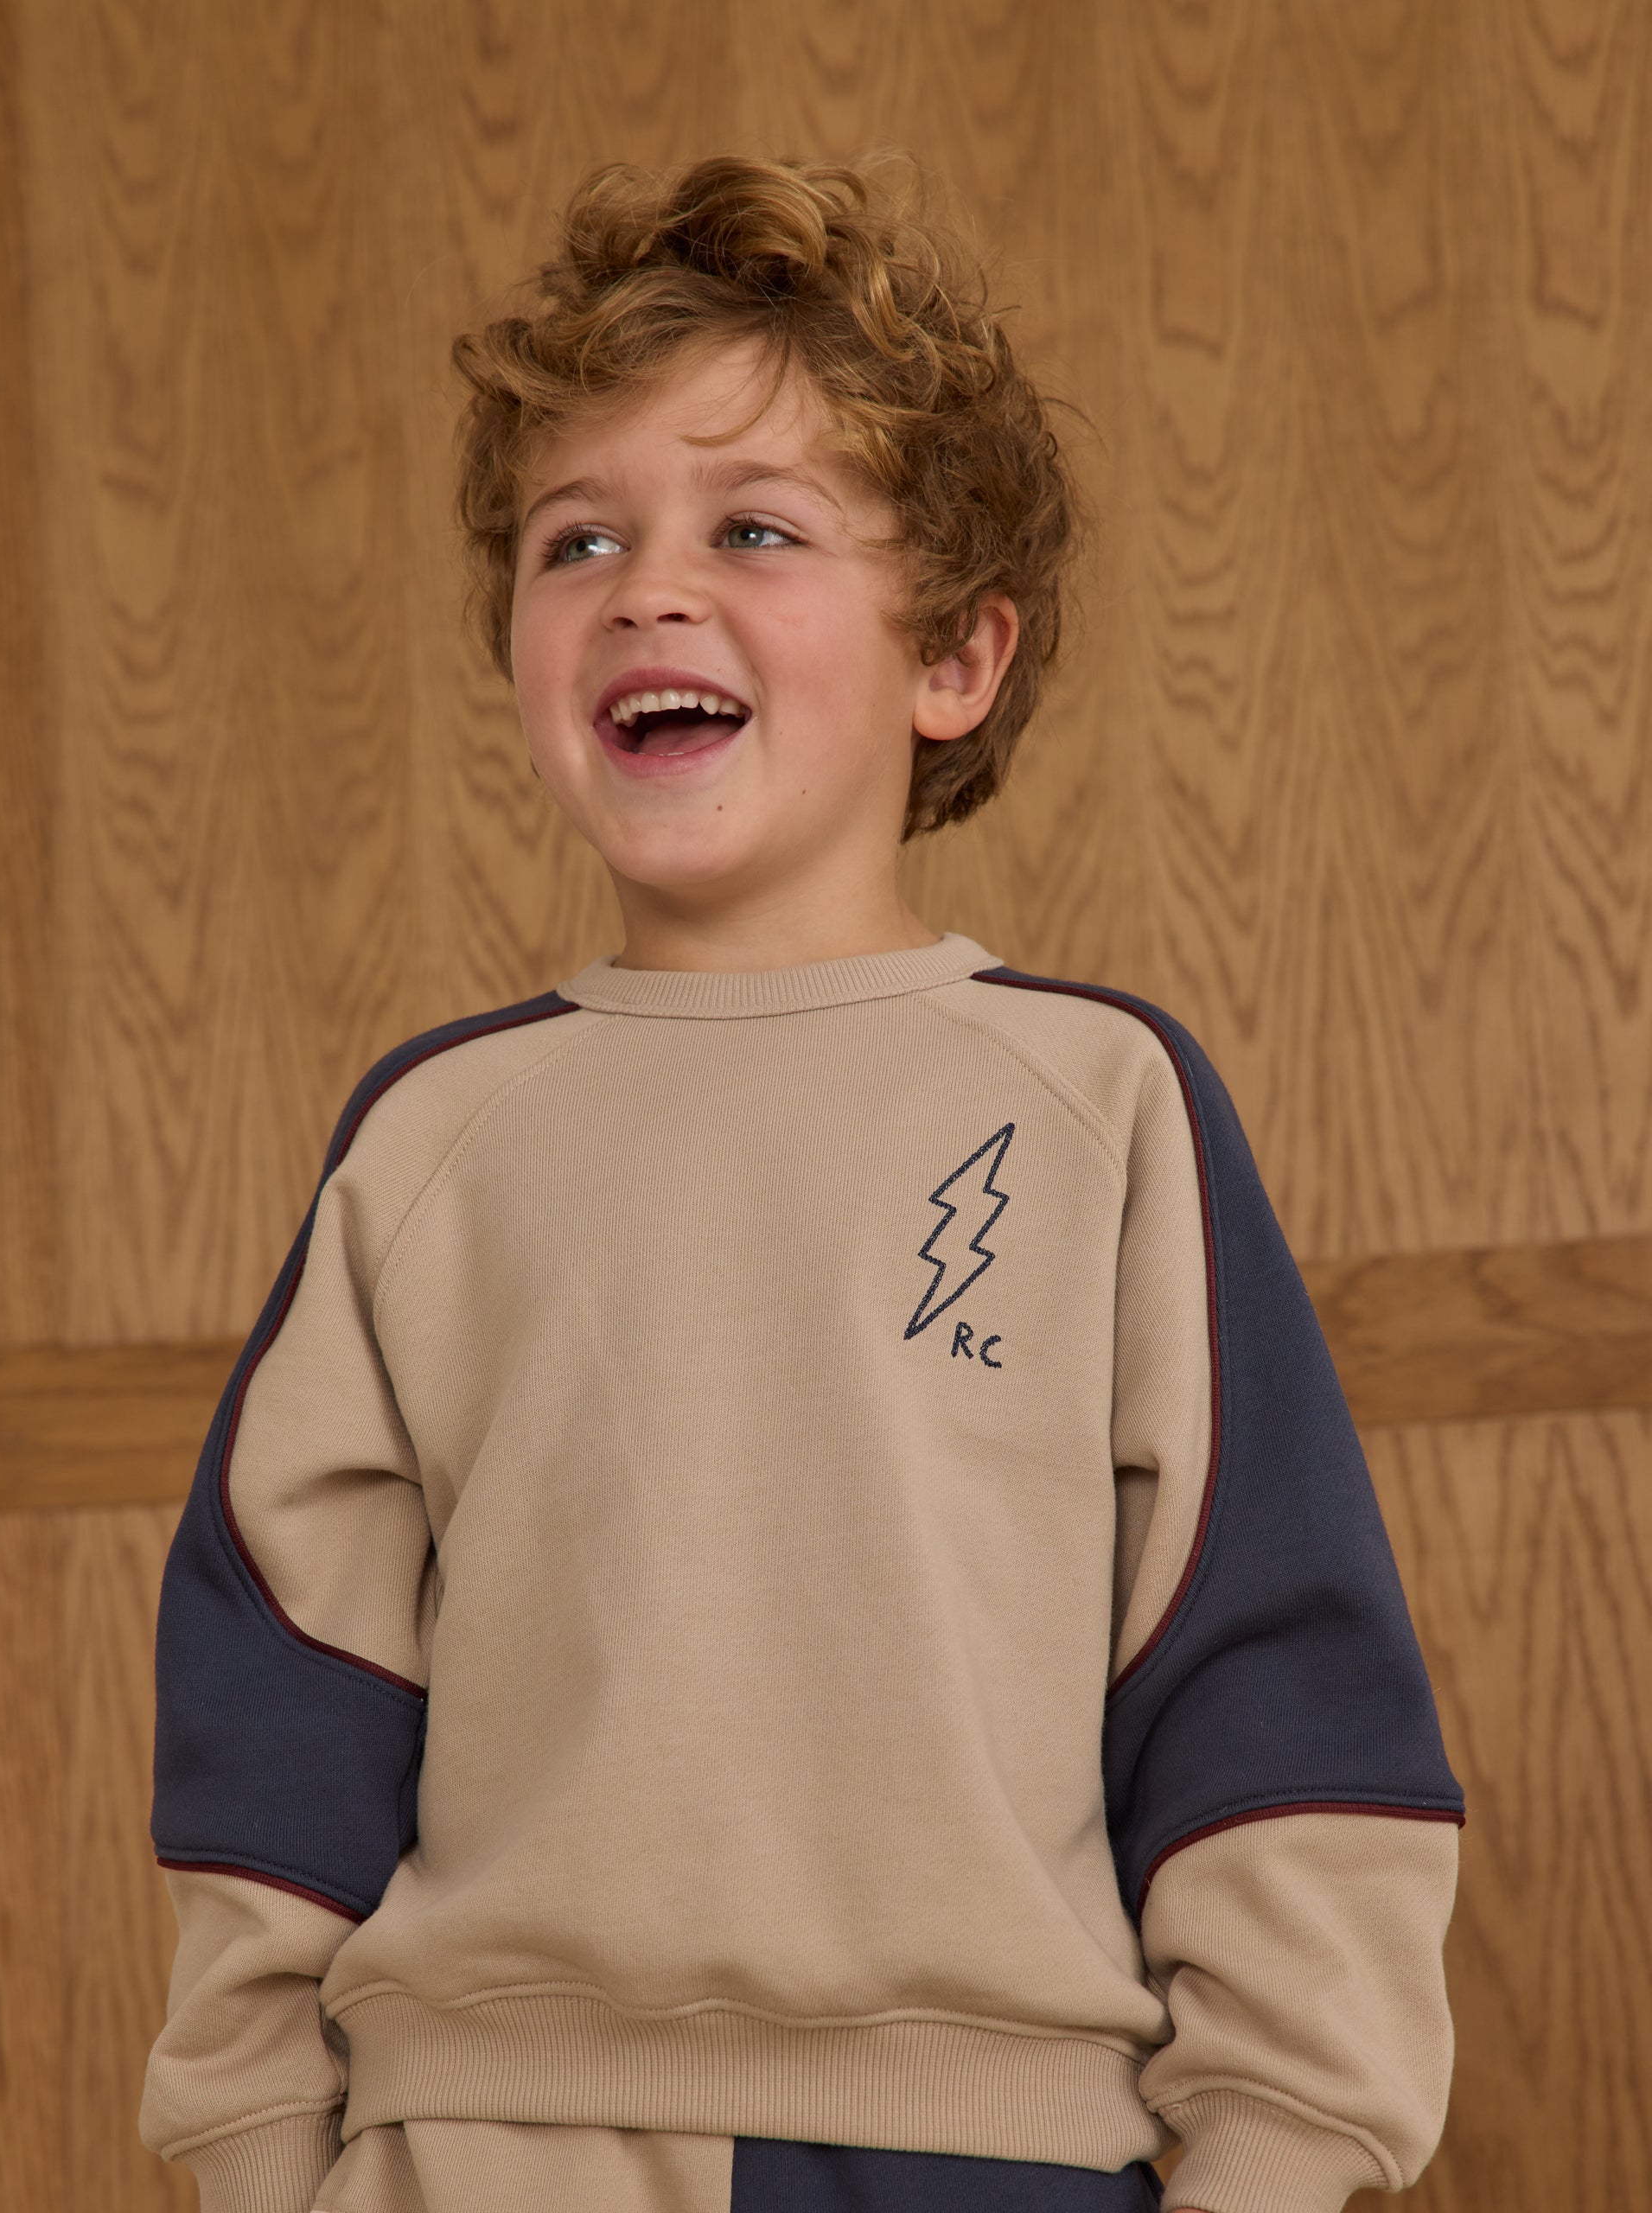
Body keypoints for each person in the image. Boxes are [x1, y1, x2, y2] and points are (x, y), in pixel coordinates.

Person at [140, 154, 1464, 2213]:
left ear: (957, 660)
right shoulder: (431, 1141)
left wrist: (1274, 2150)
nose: (646, 588)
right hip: (479, 2150)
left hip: (991, 2155)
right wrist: (256, 2152)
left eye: (752, 527)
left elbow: (1263, 1667)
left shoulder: (1098, 1105)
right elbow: (283, 1677)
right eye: (578, 539)